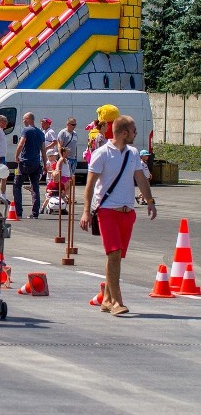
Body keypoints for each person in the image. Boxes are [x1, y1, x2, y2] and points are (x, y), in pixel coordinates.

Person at [80, 115, 156, 316]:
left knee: (116, 257)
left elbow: (140, 179)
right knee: (113, 254)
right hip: (106, 211)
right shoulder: (102, 154)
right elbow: (89, 186)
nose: (136, 134)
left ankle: (106, 299)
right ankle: (116, 301)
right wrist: (86, 212)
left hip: (127, 212)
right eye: (133, 131)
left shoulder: (132, 154)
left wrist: (150, 201)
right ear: (124, 133)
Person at [14, 112, 48, 219]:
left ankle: (18, 212)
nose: (23, 121)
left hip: (24, 162)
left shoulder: (26, 130)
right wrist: (45, 164)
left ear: (29, 119)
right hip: (36, 163)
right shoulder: (40, 133)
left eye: (24, 119)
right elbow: (43, 150)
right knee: (35, 188)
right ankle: (35, 213)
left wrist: (16, 156)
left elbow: (21, 144)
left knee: (17, 185)